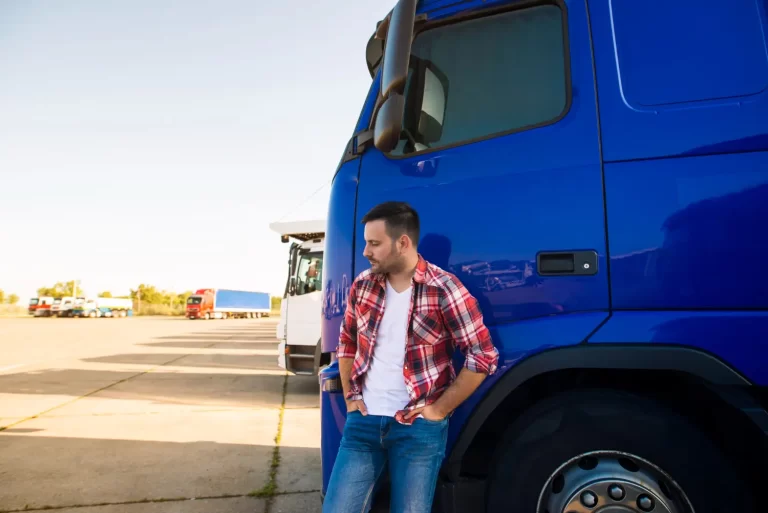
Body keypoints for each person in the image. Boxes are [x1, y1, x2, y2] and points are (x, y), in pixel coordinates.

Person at [323, 201, 499, 513]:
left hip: (417, 427)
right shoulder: (363, 285)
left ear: (403, 242)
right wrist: (352, 397)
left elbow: (482, 355)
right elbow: (347, 342)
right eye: (366, 242)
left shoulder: (444, 289)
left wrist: (439, 410)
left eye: (374, 243)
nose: (366, 251)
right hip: (363, 423)